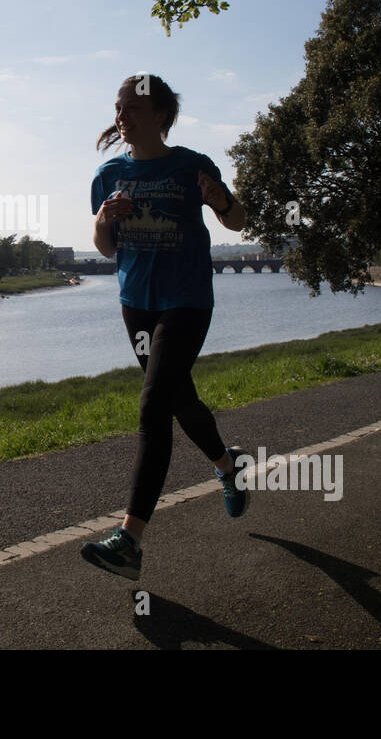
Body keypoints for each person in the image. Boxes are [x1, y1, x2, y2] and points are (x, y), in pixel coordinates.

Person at [80, 73, 249, 581]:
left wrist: (219, 198)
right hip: (136, 305)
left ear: (160, 115)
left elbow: (238, 221)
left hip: (187, 302)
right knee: (177, 398)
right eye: (118, 106)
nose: (122, 115)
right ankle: (227, 465)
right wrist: (103, 220)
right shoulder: (107, 174)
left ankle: (129, 539)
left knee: (154, 403)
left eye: (132, 107)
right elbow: (106, 249)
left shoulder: (191, 165)